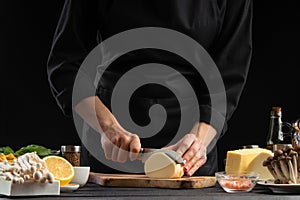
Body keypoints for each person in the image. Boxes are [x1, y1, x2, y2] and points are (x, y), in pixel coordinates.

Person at [47, 0, 253, 176]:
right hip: (111, 146)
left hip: (191, 152)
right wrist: (108, 127)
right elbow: (65, 64)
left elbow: (229, 73)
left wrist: (198, 140)